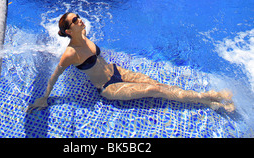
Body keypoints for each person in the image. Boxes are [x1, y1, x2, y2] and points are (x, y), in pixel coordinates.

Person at [27, 12, 235, 113]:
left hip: (118, 71)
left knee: (158, 85)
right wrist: (45, 97)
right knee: (156, 90)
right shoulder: (70, 53)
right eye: (75, 20)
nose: (80, 19)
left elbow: (97, 57)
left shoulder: (85, 35)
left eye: (78, 17)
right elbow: (55, 75)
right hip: (109, 87)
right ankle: (207, 99)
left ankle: (206, 100)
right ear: (68, 31)